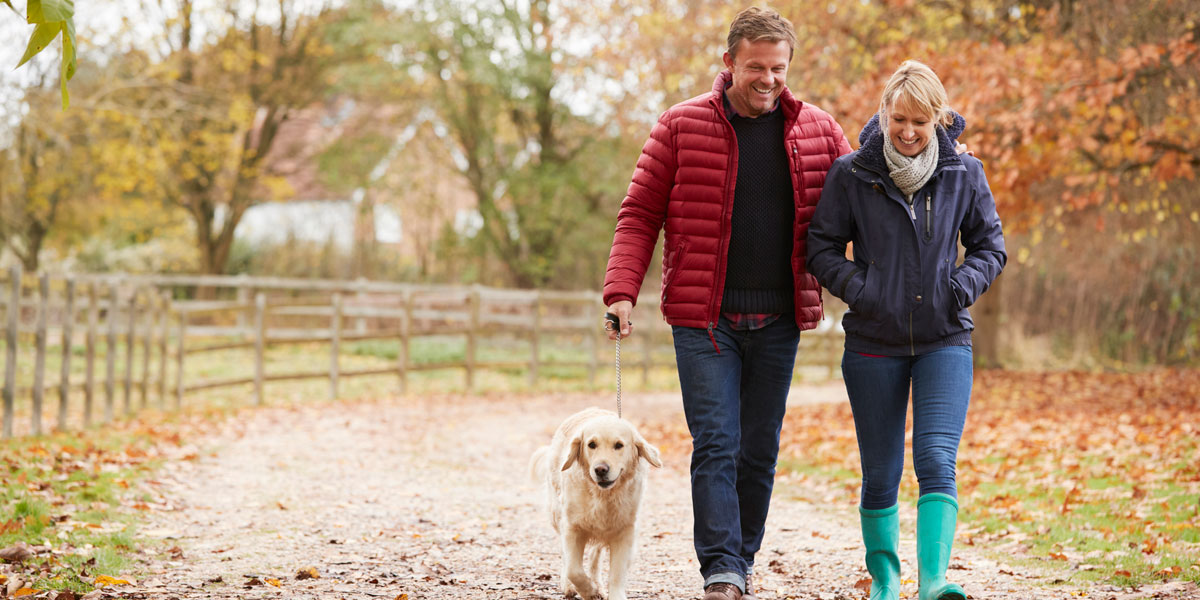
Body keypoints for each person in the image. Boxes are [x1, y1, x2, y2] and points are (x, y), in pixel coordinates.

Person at [602, 7, 851, 600]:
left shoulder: (818, 131)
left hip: (779, 319)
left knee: (759, 448)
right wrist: (621, 292)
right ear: (729, 62)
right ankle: (722, 570)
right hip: (703, 318)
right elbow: (640, 214)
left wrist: (943, 157)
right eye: (756, 67)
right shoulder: (680, 126)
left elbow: (865, 196)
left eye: (779, 68)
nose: (768, 79)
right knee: (717, 441)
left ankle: (740, 558)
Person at [806, 60, 1007, 600]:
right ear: (885, 115)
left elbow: (991, 247)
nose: (910, 132)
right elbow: (820, 249)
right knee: (880, 469)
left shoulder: (965, 173)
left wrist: (958, 288)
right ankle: (887, 581)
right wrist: (865, 290)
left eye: (921, 120)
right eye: (899, 119)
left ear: (938, 118)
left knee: (937, 458)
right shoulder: (852, 175)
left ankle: (935, 582)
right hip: (874, 342)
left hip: (945, 339)